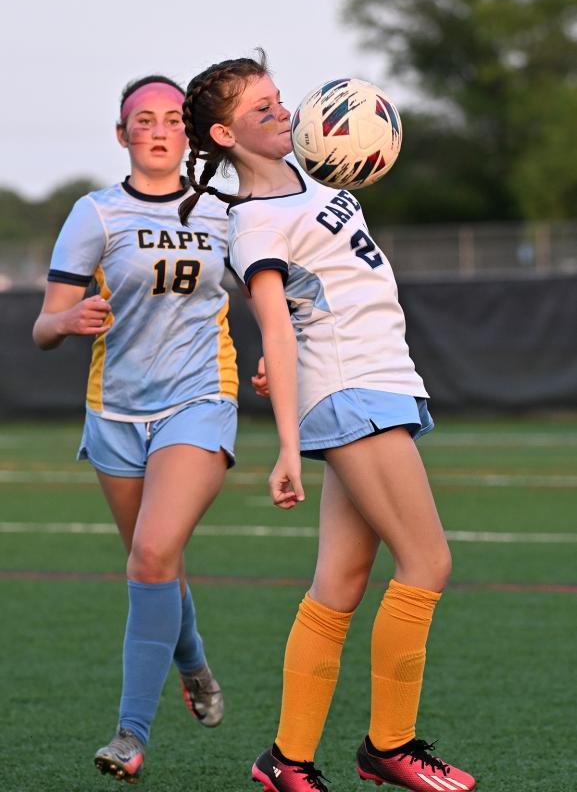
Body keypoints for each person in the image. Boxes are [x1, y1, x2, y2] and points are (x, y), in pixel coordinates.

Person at [178, 51, 476, 792]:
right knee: (427, 563)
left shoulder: (315, 176)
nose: (282, 112)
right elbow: (273, 329)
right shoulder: (250, 225)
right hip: (353, 391)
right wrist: (284, 446)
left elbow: (306, 318)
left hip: (368, 381)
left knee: (339, 583)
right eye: (261, 110)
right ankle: (389, 745)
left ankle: (285, 761)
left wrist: (290, 362)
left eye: (278, 99)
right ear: (223, 135)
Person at [33, 75, 238, 784]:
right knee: (157, 565)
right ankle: (193, 660)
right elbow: (43, 325)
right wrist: (65, 320)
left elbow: (282, 293)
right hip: (114, 413)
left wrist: (282, 353)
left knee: (152, 553)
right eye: (141, 121)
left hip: (200, 399)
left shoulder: (224, 211)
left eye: (171, 119)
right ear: (122, 136)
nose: (157, 130)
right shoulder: (95, 213)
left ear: (190, 134)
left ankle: (130, 734)